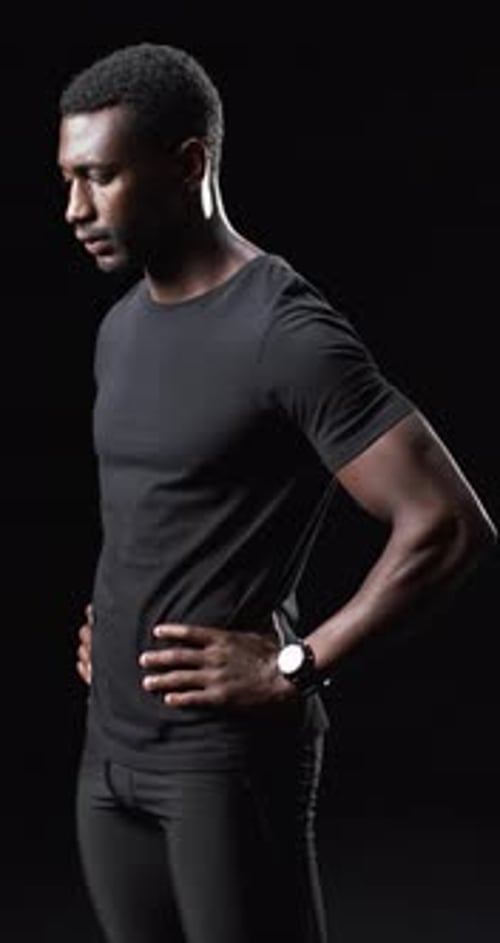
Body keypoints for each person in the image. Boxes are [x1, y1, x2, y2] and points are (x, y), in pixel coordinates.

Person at [57, 42, 496, 943]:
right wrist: (113, 610)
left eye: (99, 178)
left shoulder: (284, 332)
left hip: (219, 769)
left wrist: (299, 662)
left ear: (189, 166)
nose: (74, 209)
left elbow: (448, 524)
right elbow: (159, 508)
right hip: (108, 763)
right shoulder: (120, 327)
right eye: (67, 178)